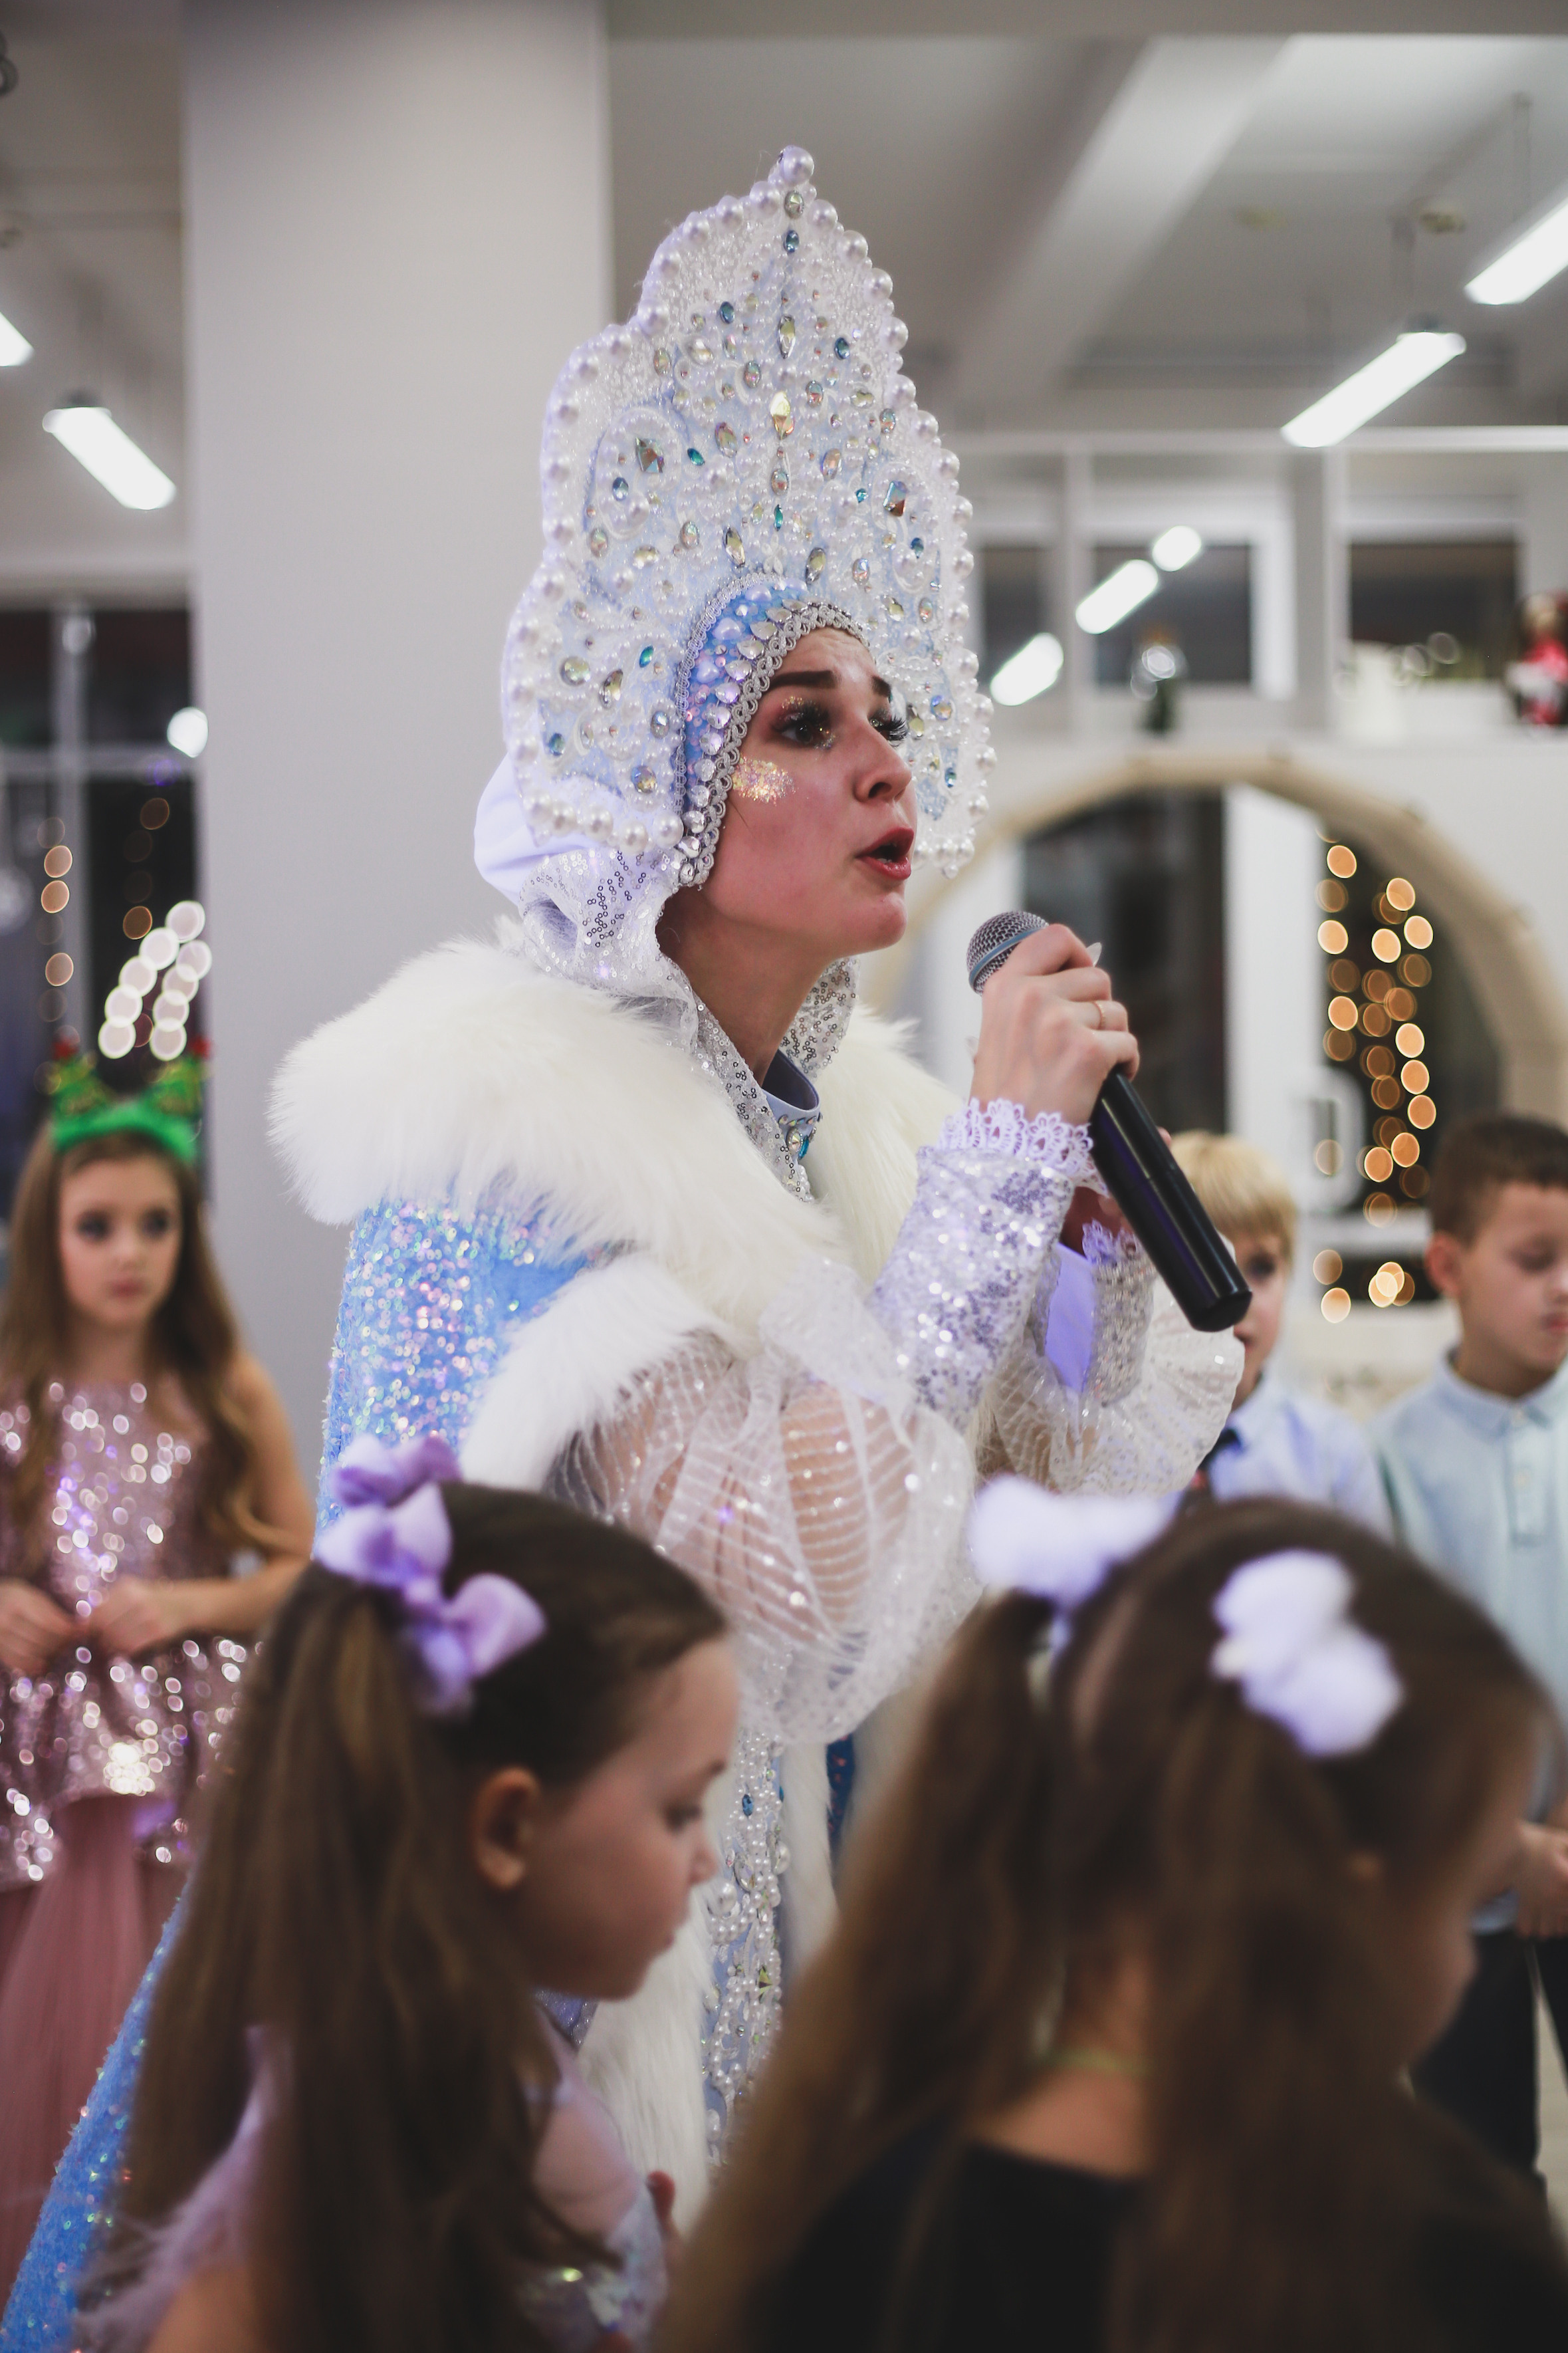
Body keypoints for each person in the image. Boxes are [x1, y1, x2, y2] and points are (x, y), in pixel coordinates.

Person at [255, 144, 1240, 2206]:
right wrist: (981, 1181)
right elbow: (795, 1609)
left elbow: (1000, 1531)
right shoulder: (530, 1158)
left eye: (887, 713)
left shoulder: (853, 1130)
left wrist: (1072, 1243)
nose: (886, 760)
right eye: (805, 722)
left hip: (827, 1943)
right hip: (573, 2027)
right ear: (658, 809)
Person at [659, 1484, 1568, 2353]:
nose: (1459, 1966)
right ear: (1345, 1891)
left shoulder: (850, 2229)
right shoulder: (1442, 2259)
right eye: (1453, 1899)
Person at [71, 1436, 734, 2353]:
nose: (704, 1858)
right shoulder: (330, 2146)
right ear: (506, 1827)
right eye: (679, 1808)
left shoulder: (496, 2054)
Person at [0, 1056, 312, 2300]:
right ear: (48, 1232)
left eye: (156, 1223)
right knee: (39, 2015)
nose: (129, 1251)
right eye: (97, 1225)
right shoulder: (14, 1389)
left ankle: (161, 2279)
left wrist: (193, 1597)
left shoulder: (219, 1385)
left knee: (159, 1993)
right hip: (35, 1766)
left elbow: (301, 1555)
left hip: (178, 1758)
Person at [1373, 1112, 1568, 2181]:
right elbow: (1396, 1689)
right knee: (1476, 2173)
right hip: (1454, 1873)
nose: (1561, 1285)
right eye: (1534, 1258)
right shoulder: (1390, 1457)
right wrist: (1506, 1841)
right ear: (1446, 1261)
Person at [1171, 1132, 1387, 1526]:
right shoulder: (1107, 1449)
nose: (1238, 1297)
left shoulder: (1333, 1453)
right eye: (1205, 1266)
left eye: (1261, 1268)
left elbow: (1374, 1588)